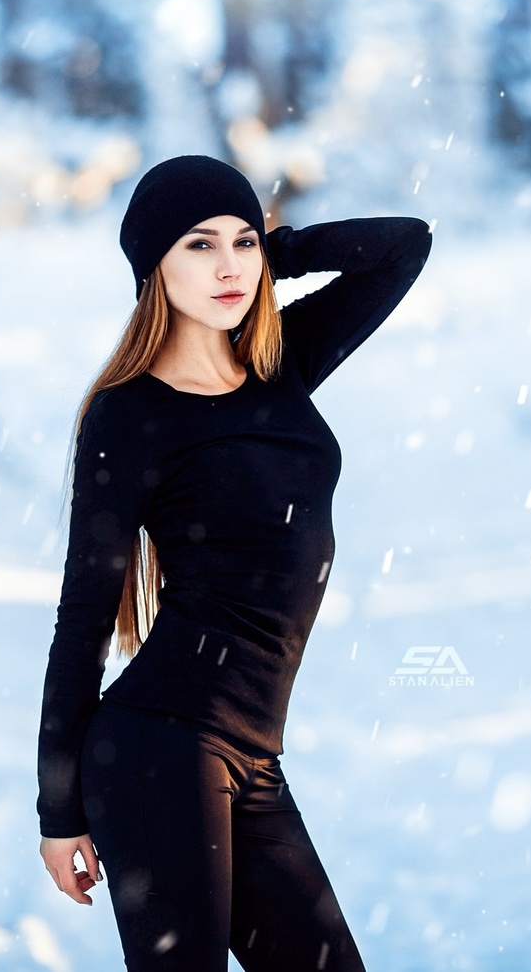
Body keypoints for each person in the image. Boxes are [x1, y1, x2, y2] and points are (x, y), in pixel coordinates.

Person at [35, 154, 433, 970]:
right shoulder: (129, 417)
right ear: (154, 267)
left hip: (251, 758)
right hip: (161, 752)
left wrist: (279, 256)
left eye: (241, 242)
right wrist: (57, 809)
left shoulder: (278, 368)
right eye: (198, 246)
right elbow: (83, 617)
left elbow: (406, 245)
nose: (228, 266)